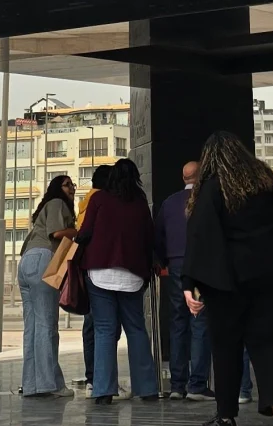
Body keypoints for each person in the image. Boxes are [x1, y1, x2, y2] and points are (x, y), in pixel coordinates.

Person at [181, 130, 273, 426]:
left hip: (227, 283)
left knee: (226, 346)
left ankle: (226, 416)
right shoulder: (265, 185)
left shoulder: (211, 189)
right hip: (271, 277)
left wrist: (188, 282)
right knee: (266, 342)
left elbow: (198, 238)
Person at [76, 156, 159, 403]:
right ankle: (147, 389)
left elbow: (85, 232)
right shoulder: (140, 203)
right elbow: (150, 238)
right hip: (133, 274)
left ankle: (103, 391)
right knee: (136, 329)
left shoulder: (99, 199)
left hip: (99, 272)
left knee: (104, 330)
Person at [154, 159, 212, 399]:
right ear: (202, 175)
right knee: (199, 321)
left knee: (178, 321)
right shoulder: (207, 199)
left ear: (184, 177)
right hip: (201, 264)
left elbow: (158, 235)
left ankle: (177, 385)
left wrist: (164, 261)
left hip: (176, 265)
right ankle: (197, 384)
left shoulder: (169, 202)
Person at [17, 173, 76, 396]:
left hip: (27, 263)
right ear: (57, 188)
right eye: (67, 185)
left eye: (72, 184)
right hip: (43, 259)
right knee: (47, 324)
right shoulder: (57, 203)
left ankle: (31, 385)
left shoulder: (45, 208)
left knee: (32, 327)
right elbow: (57, 233)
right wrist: (78, 232)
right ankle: (51, 384)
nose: (72, 188)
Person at [75, 165, 115, 392]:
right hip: (97, 270)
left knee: (92, 325)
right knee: (102, 327)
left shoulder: (86, 201)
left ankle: (93, 377)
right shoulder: (100, 201)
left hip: (87, 268)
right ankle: (99, 378)